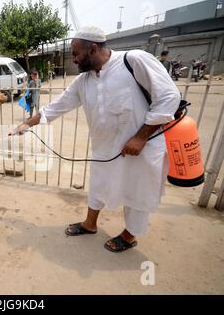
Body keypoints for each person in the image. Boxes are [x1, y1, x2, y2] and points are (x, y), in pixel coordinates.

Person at [11, 26, 180, 252]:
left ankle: (129, 236)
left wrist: (141, 138)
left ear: (92, 49)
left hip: (142, 147)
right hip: (104, 149)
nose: (74, 59)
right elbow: (56, 107)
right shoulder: (83, 81)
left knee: (137, 192)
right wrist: (25, 125)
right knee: (98, 185)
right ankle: (90, 224)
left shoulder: (134, 61)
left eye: (76, 53)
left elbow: (169, 96)